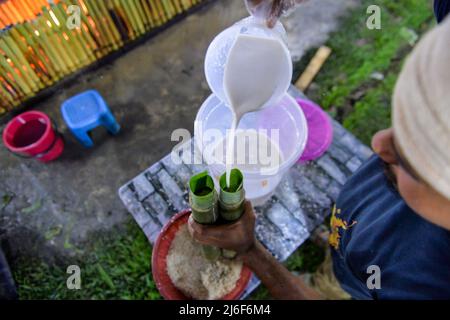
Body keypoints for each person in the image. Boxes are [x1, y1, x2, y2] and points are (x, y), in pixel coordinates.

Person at [189, 1, 450, 299]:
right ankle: (336, 248)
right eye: (409, 119)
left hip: (363, 284)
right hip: (353, 230)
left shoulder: (428, 285)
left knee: (343, 284)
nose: (379, 143)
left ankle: (334, 277)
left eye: (412, 157)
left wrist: (251, 251)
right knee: (342, 246)